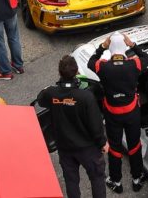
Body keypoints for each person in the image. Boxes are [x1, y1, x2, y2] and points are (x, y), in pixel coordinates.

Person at [86, 33, 148, 193]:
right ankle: (137, 178)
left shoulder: (102, 66)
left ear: (111, 48)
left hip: (112, 114)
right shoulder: (134, 64)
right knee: (134, 145)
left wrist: (102, 47)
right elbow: (147, 58)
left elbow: (90, 62)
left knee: (115, 147)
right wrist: (133, 45)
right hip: (131, 113)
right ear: (124, 47)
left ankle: (116, 181)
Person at [37, 55, 107, 198]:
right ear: (76, 72)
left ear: (59, 72)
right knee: (97, 178)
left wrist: (51, 90)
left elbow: (40, 100)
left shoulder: (51, 93)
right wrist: (103, 143)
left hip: (65, 148)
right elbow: (96, 125)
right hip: (88, 149)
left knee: (71, 181)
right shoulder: (86, 97)